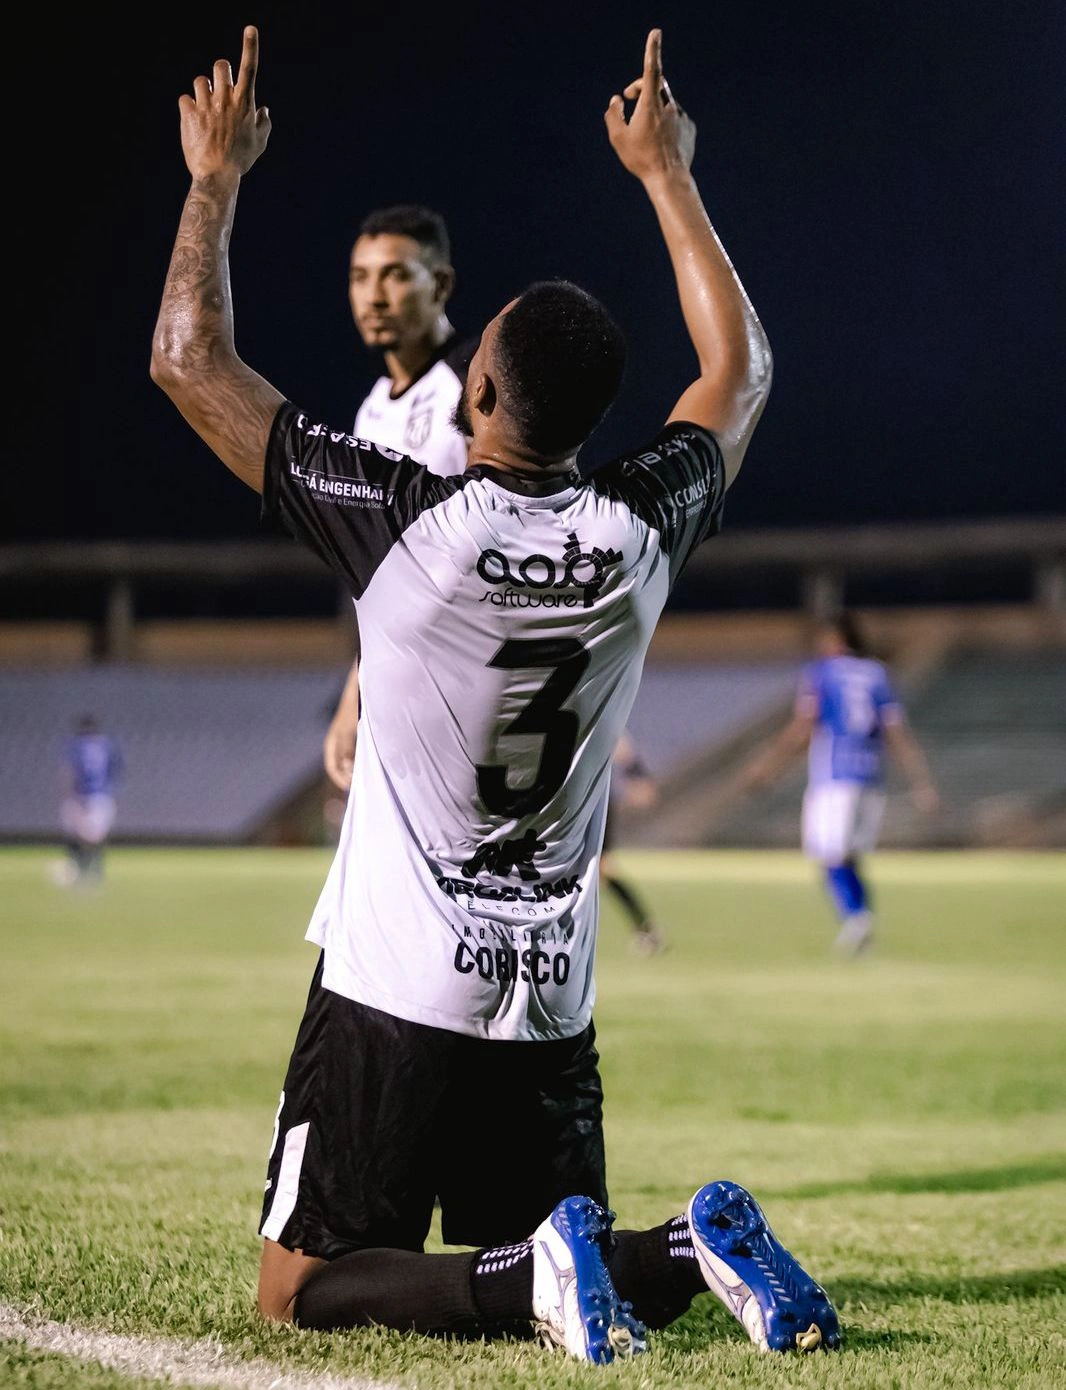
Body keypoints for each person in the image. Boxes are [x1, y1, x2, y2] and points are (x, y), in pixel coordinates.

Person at [151, 25, 840, 1362]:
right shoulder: (641, 528)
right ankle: (682, 1252)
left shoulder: (405, 528)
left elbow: (188, 358)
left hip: (396, 984)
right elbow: (741, 370)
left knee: (301, 1286)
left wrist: (214, 177)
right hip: (548, 996)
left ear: (475, 390)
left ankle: (550, 1276)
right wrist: (666, 176)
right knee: (548, 1254)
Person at [324, 203, 475, 791]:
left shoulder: (481, 382)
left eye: (394, 274)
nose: (374, 296)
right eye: (360, 277)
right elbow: (382, 573)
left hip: (474, 676)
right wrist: (354, 692)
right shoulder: (371, 411)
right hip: (400, 680)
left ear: (440, 284)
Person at [740, 611, 940, 955]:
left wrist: (768, 766)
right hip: (871, 777)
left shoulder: (822, 673)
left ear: (833, 639)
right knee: (849, 856)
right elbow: (897, 732)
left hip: (834, 776)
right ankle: (862, 926)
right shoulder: (878, 674)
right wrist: (922, 783)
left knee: (829, 854)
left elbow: (805, 725)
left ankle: (857, 918)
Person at [601, 730, 666, 954]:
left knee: (600, 870)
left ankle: (646, 928)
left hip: (590, 801)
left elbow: (621, 744)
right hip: (578, 799)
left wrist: (638, 775)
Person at [54, 714, 123, 887]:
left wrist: (68, 795)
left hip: (79, 795)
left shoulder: (75, 745)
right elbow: (116, 772)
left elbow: (68, 772)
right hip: (102, 796)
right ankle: (95, 871)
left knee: (75, 833)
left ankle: (77, 869)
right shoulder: (108, 745)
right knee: (96, 837)